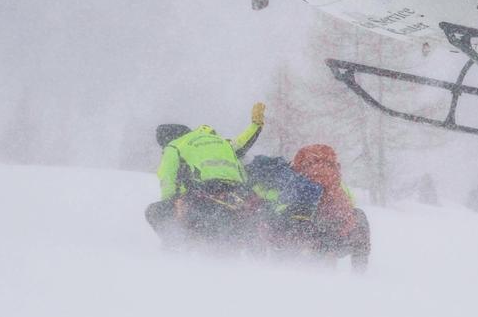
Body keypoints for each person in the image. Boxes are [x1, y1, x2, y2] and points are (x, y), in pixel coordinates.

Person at [144, 102, 265, 248]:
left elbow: (168, 180)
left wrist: (172, 206)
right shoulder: (221, 142)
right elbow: (242, 144)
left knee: (155, 211)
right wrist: (256, 125)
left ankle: (175, 248)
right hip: (239, 194)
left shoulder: (175, 145)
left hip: (203, 195)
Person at [291, 144, 371, 271]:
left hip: (308, 235)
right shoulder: (335, 179)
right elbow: (350, 203)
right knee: (359, 216)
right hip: (339, 232)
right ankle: (359, 270)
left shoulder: (298, 179)